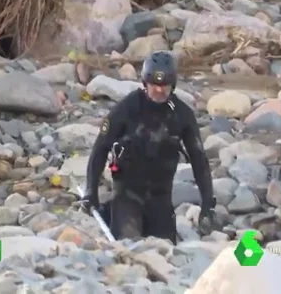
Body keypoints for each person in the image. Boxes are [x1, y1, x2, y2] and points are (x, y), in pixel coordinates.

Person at [82, 50, 215, 243]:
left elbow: (199, 160)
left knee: (165, 251)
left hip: (161, 199)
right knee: (129, 246)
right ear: (145, 83)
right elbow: (100, 148)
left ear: (173, 85)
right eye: (155, 85)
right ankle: (109, 212)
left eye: (165, 86)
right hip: (128, 195)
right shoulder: (127, 108)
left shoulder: (182, 115)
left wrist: (207, 204)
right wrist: (90, 192)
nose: (159, 90)